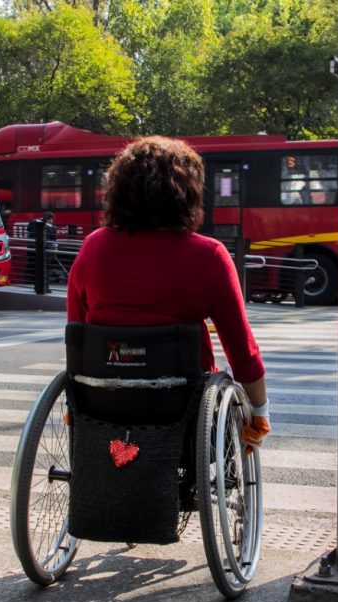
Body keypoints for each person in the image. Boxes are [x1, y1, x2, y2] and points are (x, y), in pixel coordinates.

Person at [67, 136, 270, 449]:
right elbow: (242, 350)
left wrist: (75, 403)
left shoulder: (92, 247)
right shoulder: (209, 256)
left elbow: (77, 335)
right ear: (186, 194)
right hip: (183, 409)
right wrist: (259, 411)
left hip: (104, 406)